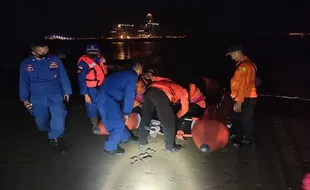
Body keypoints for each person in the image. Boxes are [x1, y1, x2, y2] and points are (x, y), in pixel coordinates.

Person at [19, 42, 72, 153]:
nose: (45, 54)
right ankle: (53, 130)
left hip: (55, 93)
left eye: (47, 51)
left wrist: (67, 91)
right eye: (42, 53)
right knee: (41, 121)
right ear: (34, 52)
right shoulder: (26, 64)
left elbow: (63, 76)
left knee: (59, 116)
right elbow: (23, 82)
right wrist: (24, 99)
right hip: (37, 96)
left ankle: (55, 138)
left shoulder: (54, 60)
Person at [95, 60, 144, 156]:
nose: (140, 74)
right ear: (138, 69)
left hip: (102, 98)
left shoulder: (123, 73)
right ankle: (110, 147)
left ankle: (126, 137)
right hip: (108, 100)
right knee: (117, 123)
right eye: (141, 71)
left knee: (111, 122)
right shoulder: (132, 76)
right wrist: (126, 113)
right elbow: (129, 95)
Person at [138, 76, 189, 153]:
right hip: (161, 93)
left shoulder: (170, 82)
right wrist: (176, 117)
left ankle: (142, 141)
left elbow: (156, 78)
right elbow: (185, 108)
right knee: (169, 121)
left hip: (149, 91)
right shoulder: (184, 91)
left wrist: (150, 77)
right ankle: (170, 147)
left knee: (146, 117)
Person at [225, 45, 258, 146]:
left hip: (247, 97)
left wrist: (239, 101)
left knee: (246, 118)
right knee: (238, 117)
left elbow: (243, 84)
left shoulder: (245, 67)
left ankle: (246, 138)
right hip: (242, 96)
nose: (232, 58)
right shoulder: (243, 64)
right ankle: (236, 134)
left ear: (236, 52)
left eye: (231, 55)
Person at [77, 44, 109, 131]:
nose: (93, 54)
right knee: (92, 106)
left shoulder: (101, 58)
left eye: (95, 52)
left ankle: (105, 122)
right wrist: (85, 94)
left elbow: (104, 71)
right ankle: (95, 125)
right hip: (91, 89)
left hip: (102, 86)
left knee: (104, 104)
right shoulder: (83, 63)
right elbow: (81, 79)